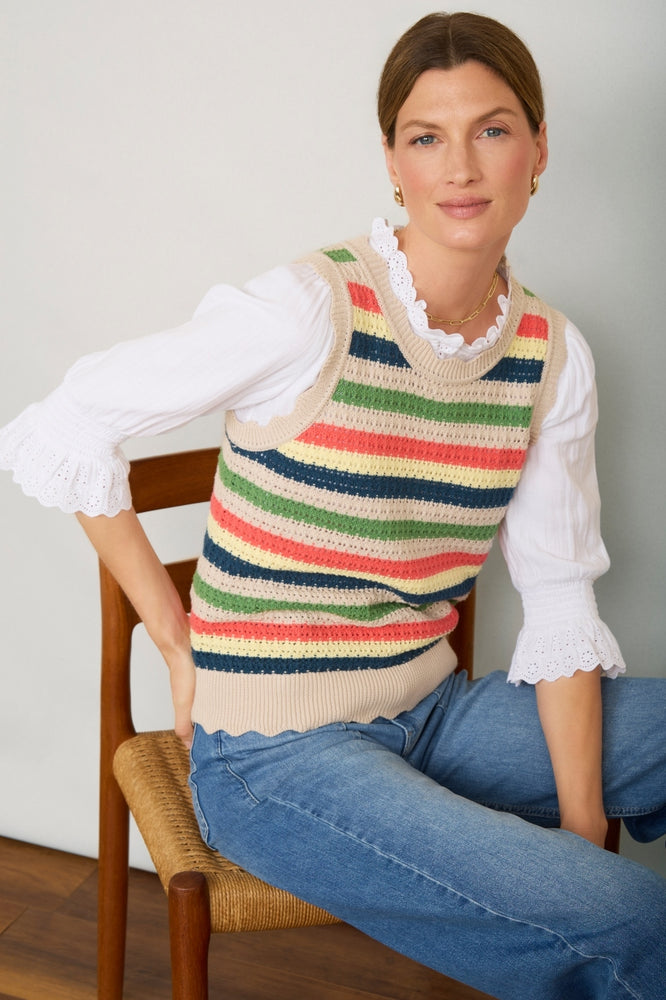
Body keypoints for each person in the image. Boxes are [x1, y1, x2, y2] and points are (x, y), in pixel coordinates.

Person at [1, 11, 664, 999]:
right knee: (636, 922)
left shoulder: (550, 356)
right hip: (272, 759)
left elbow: (561, 601)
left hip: (432, 711)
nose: (461, 167)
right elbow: (64, 426)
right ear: (393, 161)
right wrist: (179, 643)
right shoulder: (307, 310)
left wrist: (579, 836)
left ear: (538, 149)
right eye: (426, 137)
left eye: (491, 129)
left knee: (609, 888)